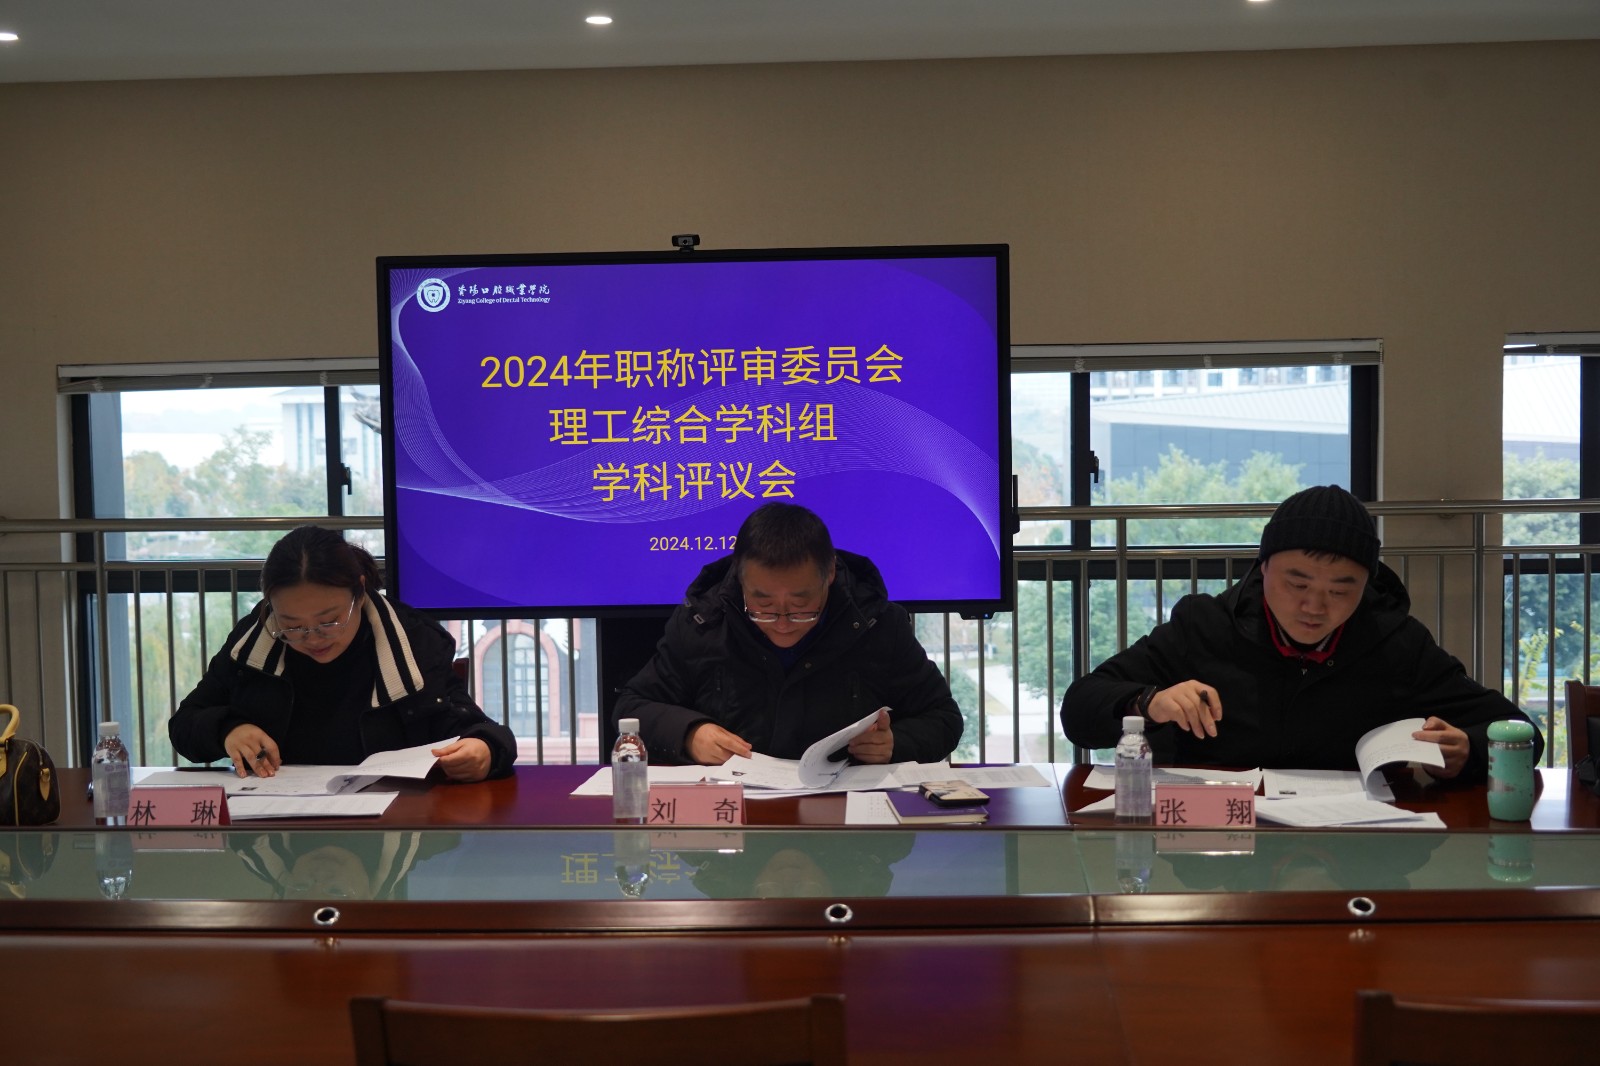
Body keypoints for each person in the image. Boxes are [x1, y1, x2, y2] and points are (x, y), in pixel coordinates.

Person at [1060, 485, 1543, 782]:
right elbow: (1080, 709)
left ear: (1366, 585)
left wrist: (1468, 750)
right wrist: (1148, 702)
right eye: (1297, 584)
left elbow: (1521, 734)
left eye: (1341, 589)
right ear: (1263, 568)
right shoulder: (1204, 626)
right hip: (1221, 846)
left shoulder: (1396, 641)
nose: (1315, 606)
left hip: (1354, 853)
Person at [614, 502, 964, 766]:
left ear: (829, 574)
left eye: (801, 605)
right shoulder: (703, 622)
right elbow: (631, 707)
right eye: (763, 604)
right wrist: (689, 734)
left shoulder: (877, 624)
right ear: (739, 579)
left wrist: (896, 743)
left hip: (846, 820)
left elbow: (943, 718)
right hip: (733, 818)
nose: (782, 622)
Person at [168, 525, 515, 782]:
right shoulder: (252, 643)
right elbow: (185, 724)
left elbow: (476, 729)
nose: (312, 638)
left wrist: (484, 750)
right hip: (280, 822)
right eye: (291, 625)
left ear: (359, 593)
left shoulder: (412, 641)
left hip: (393, 822)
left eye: (329, 621)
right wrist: (228, 730)